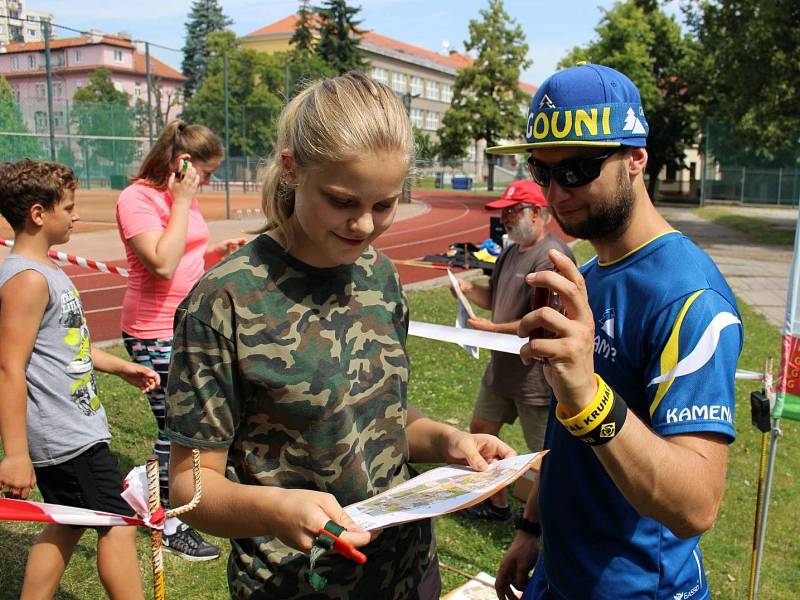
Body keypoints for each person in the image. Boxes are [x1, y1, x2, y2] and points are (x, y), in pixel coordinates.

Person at [163, 71, 515, 599]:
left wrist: (448, 441)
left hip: (409, 571)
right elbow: (191, 485)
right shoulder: (224, 301)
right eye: (343, 202)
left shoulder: (381, 275)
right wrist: (277, 511)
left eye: (384, 205)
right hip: (295, 584)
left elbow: (377, 416)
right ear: (292, 169)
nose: (365, 226)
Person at [486, 64, 743, 600]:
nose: (556, 192)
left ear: (636, 159)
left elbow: (696, 504)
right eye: (542, 171)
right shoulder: (589, 276)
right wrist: (532, 528)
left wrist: (589, 398)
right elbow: (566, 431)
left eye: (578, 169)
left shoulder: (690, 298)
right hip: (560, 575)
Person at [0, 159, 160, 599]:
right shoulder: (28, 280)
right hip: (66, 436)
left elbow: (64, 347)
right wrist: (15, 454)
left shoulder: (48, 270)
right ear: (38, 213)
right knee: (120, 522)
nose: (75, 216)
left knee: (68, 524)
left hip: (76, 426)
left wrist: (119, 366)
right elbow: (10, 366)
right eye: (68, 208)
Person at [115, 120, 245, 560]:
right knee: (175, 431)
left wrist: (215, 255)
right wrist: (183, 200)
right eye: (205, 173)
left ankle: (161, 495)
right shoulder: (137, 199)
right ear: (180, 163)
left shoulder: (177, 199)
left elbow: (185, 252)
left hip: (185, 326)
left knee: (189, 425)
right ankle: (158, 510)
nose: (208, 182)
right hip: (152, 330)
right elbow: (162, 264)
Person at [455, 180, 573, 522]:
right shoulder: (509, 251)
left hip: (535, 374)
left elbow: (546, 322)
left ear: (536, 213)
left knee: (543, 451)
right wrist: (467, 291)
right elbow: (494, 298)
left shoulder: (553, 257)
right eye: (503, 213)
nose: (504, 219)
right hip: (502, 368)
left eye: (511, 211)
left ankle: (549, 518)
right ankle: (497, 504)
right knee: (481, 429)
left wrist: (490, 329)